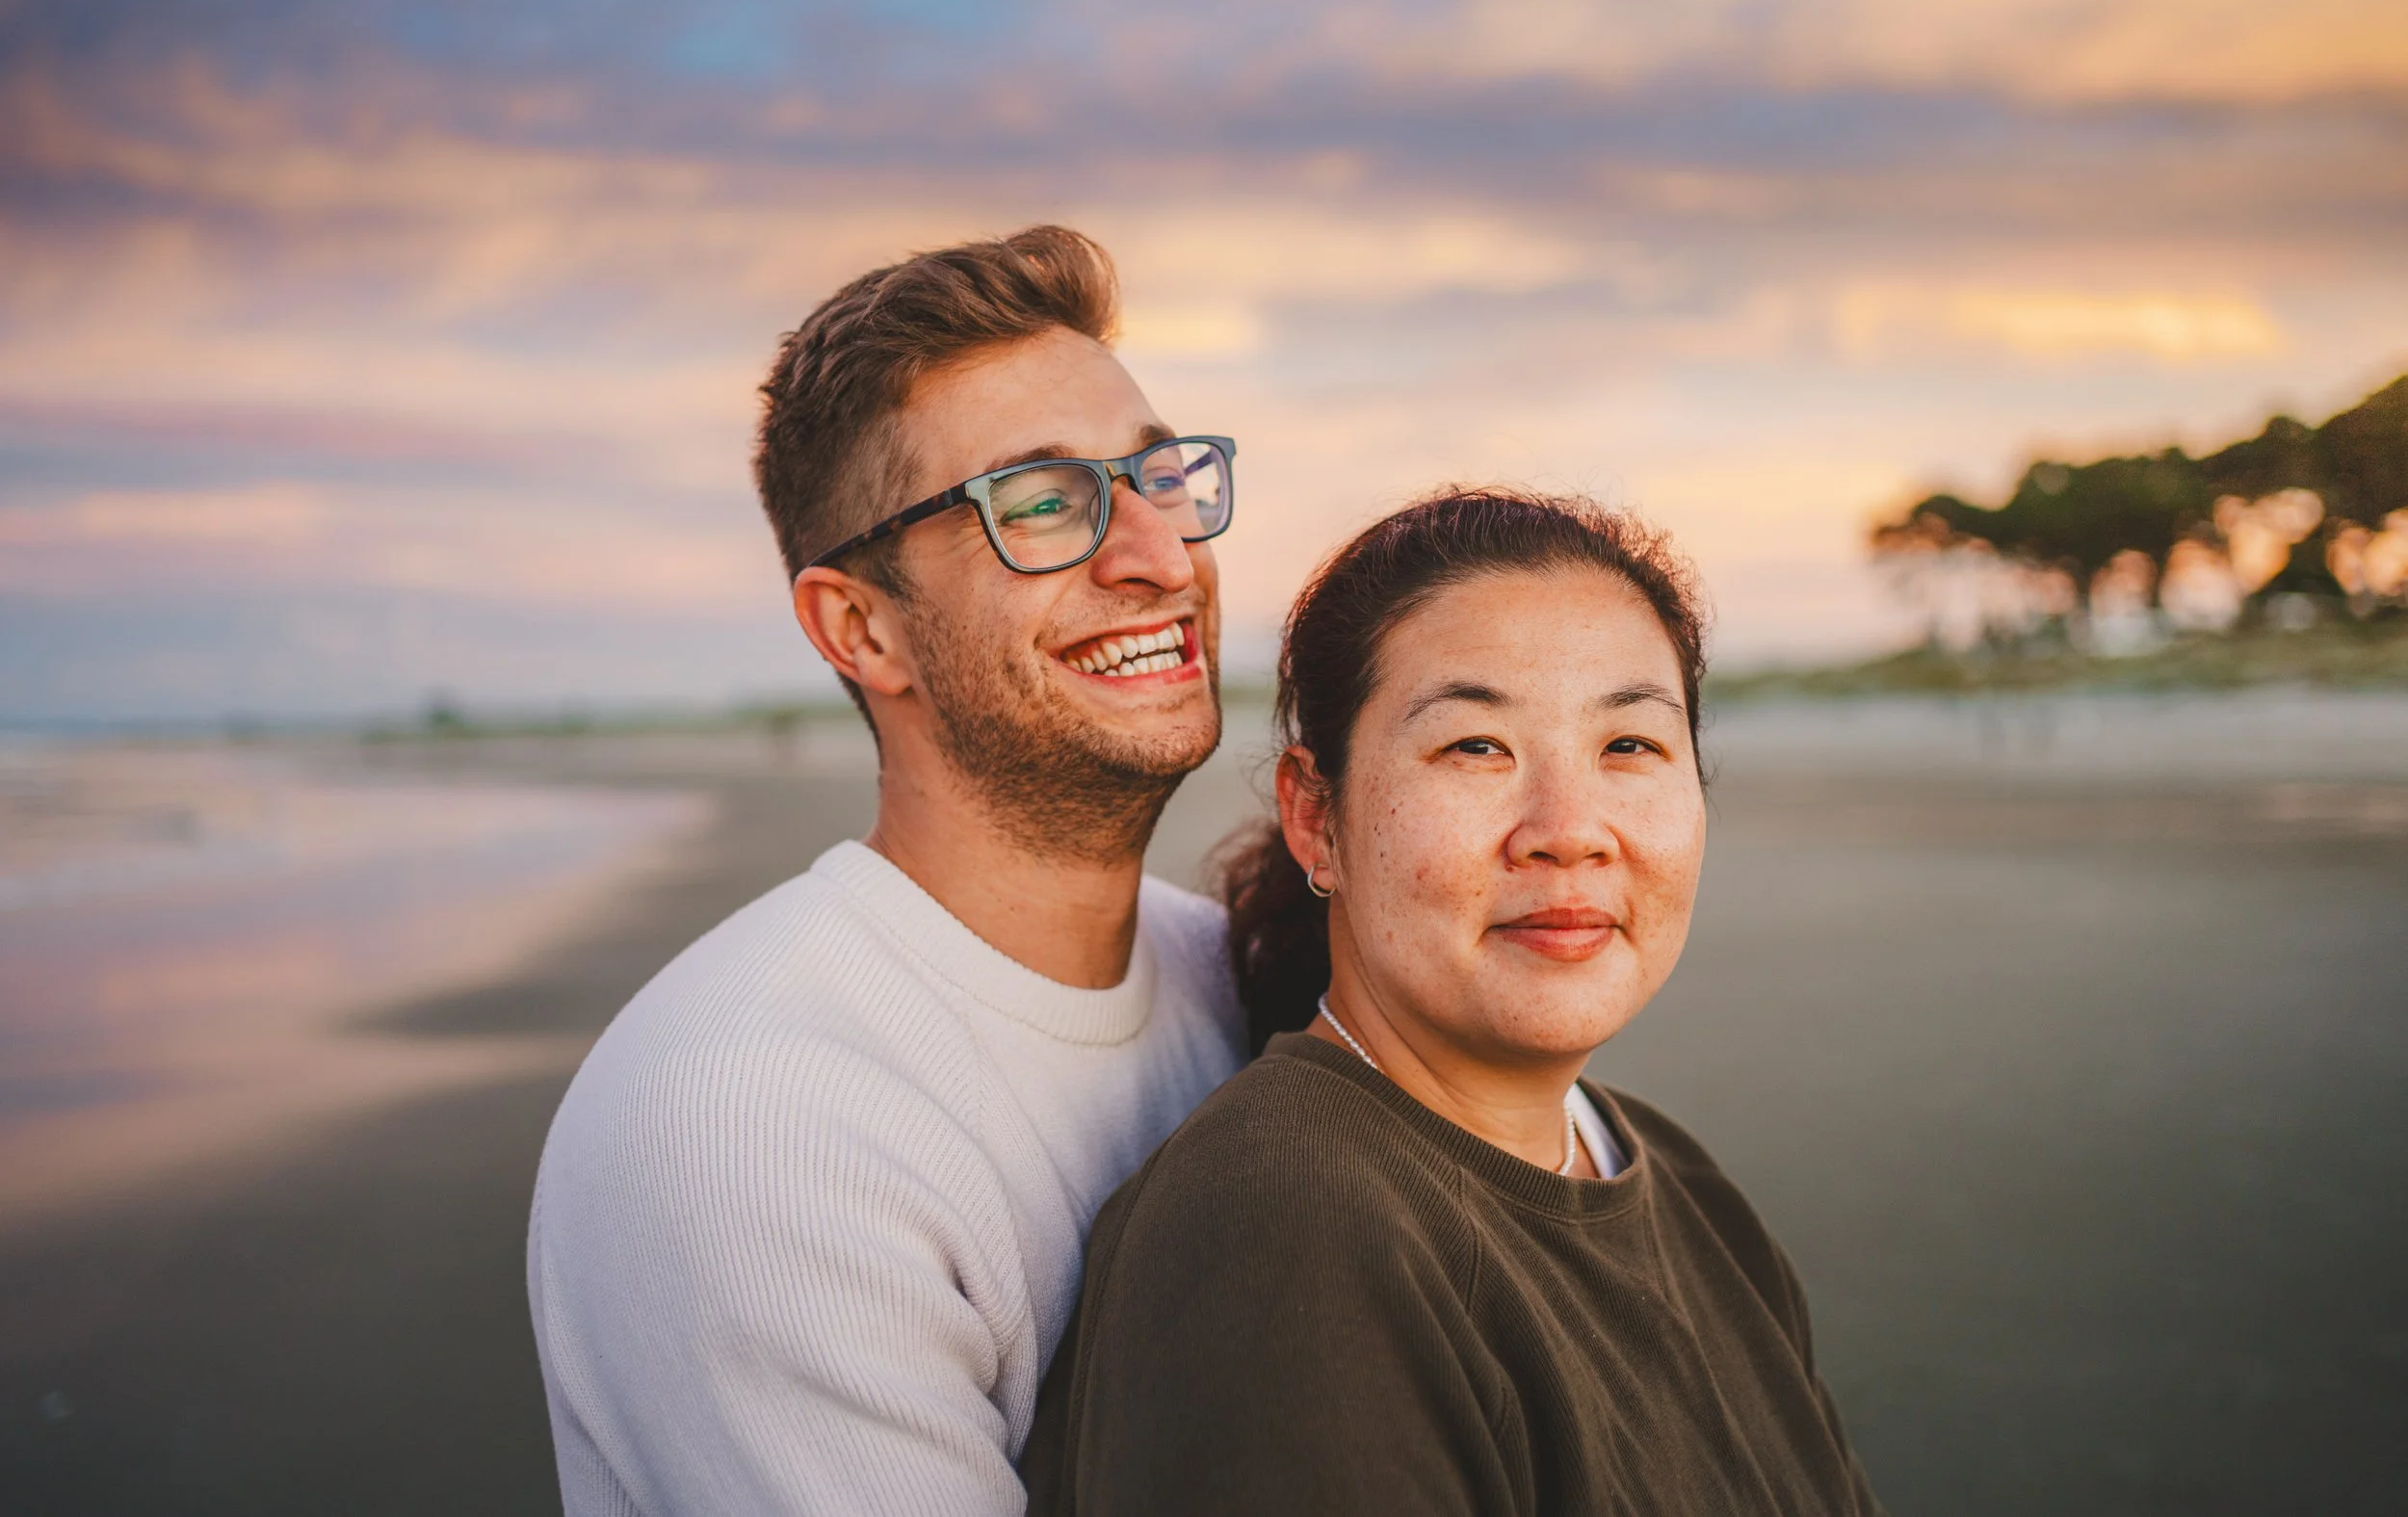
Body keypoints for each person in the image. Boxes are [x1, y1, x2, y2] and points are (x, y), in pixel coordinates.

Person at [527, 226, 1248, 1514]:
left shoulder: (1240, 980)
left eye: (1158, 477)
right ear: (860, 625)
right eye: (1041, 504)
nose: (1160, 557)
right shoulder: (755, 1119)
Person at [1024, 489, 1884, 1516]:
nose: (1568, 829)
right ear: (1316, 818)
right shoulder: (1286, 1228)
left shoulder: (1690, 1189)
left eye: (1629, 746)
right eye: (1475, 746)